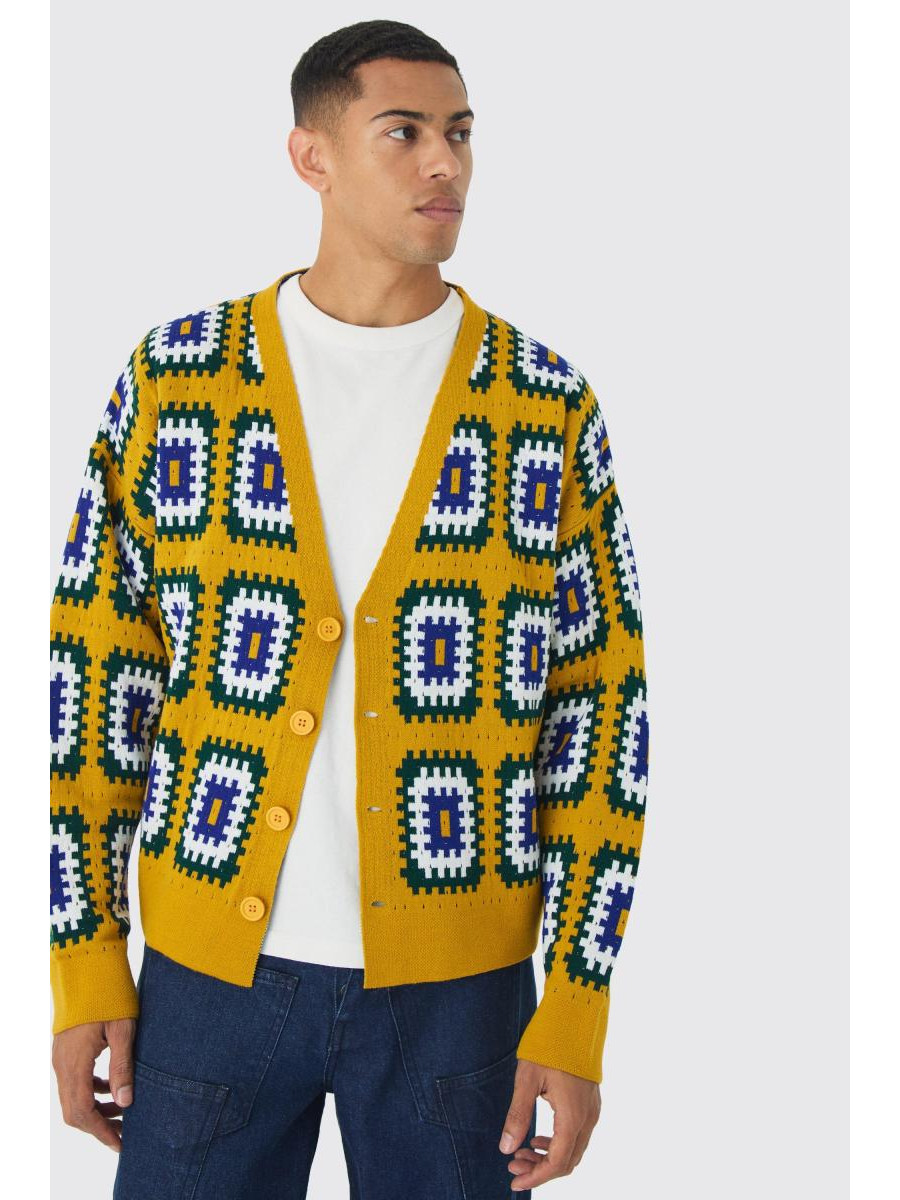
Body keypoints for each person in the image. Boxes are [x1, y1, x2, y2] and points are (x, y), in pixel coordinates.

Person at [50, 18, 649, 1198]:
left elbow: (600, 719)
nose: (446, 162)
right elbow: (95, 688)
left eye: (460, 132)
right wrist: (85, 965)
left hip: (460, 1003)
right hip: (207, 986)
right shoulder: (180, 380)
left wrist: (577, 1007)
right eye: (404, 132)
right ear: (310, 156)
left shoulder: (541, 406)